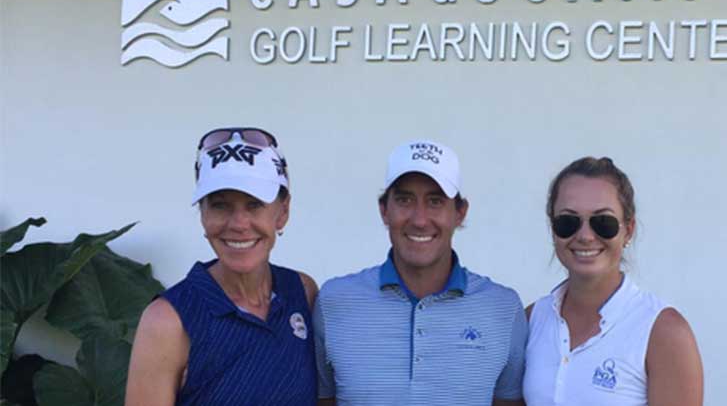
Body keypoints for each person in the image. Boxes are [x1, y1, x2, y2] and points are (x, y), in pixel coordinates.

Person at [314, 140, 527, 406]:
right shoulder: (334, 301)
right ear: (384, 210)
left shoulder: (503, 309)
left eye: (435, 201)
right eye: (404, 200)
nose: (419, 219)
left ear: (459, 213)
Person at [126, 127, 318, 405]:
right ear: (202, 214)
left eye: (254, 205)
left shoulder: (301, 291)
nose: (238, 224)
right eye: (220, 205)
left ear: (282, 212)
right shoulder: (168, 320)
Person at [522, 157, 703, 406]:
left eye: (602, 222)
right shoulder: (531, 320)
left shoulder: (663, 332)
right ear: (553, 230)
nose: (585, 236)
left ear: (628, 230)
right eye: (568, 222)